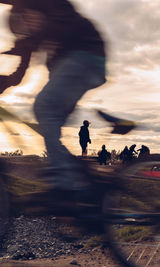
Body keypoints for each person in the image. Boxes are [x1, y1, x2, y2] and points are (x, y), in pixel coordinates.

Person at [0, 0, 107, 205]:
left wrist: (31, 38)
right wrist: (2, 82)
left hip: (86, 55)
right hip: (73, 66)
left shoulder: (53, 7)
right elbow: (18, 75)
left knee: (44, 106)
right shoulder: (32, 35)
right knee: (50, 129)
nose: (28, 27)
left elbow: (63, 24)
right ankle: (86, 190)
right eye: (22, 28)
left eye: (27, 20)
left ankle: (65, 185)